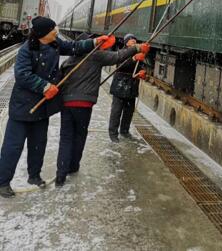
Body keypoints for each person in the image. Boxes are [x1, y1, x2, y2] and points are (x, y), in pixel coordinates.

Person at [0, 16, 114, 198]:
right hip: (23, 107)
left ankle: (34, 176)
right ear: (45, 33)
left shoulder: (54, 44)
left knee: (39, 144)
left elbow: (74, 47)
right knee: (13, 146)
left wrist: (94, 42)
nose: (57, 30)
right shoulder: (26, 50)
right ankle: (3, 182)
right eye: (54, 28)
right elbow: (22, 75)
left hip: (42, 107)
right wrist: (44, 86)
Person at [55, 33, 149, 186]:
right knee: (79, 136)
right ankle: (73, 167)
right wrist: (136, 48)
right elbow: (118, 56)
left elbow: (59, 80)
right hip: (84, 105)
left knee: (65, 138)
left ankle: (60, 176)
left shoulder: (68, 62)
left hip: (67, 104)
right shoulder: (96, 57)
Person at [108, 33, 148, 142]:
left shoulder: (139, 52)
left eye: (135, 39)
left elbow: (143, 65)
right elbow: (121, 65)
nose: (134, 41)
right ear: (126, 42)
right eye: (131, 40)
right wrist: (134, 58)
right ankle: (113, 134)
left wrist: (143, 71)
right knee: (116, 111)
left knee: (129, 111)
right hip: (120, 84)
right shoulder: (122, 52)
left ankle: (124, 131)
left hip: (132, 85)